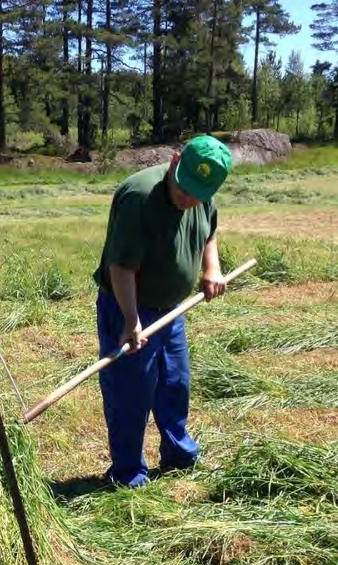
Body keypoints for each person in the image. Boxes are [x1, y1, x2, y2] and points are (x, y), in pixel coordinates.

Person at [92, 135, 233, 488]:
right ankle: (129, 474)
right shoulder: (139, 199)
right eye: (184, 189)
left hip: (172, 310)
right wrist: (130, 320)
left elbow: (208, 232)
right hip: (129, 307)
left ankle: (179, 455)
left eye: (197, 194)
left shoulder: (201, 191)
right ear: (174, 162)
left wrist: (211, 269)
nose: (189, 199)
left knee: (175, 384)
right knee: (131, 393)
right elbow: (121, 268)